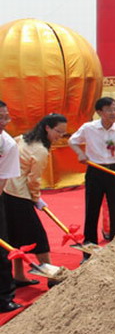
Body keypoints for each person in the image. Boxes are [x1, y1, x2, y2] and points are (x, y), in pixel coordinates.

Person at [69, 97, 115, 258]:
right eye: (109, 110)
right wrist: (80, 154)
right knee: (92, 209)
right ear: (99, 112)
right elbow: (72, 141)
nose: (113, 113)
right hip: (96, 170)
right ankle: (89, 250)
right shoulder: (89, 128)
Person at [4, 114, 68, 288]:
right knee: (38, 237)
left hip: (6, 191)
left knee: (15, 236)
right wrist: (36, 198)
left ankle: (19, 275)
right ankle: (53, 277)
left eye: (63, 133)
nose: (60, 136)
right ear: (47, 128)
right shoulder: (40, 150)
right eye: (58, 132)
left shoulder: (23, 138)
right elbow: (33, 179)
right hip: (19, 195)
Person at [0, 101, 22, 313]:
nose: (4, 122)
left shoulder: (7, 144)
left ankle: (3, 297)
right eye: (0, 117)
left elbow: (2, 180)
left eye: (6, 117)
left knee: (1, 249)